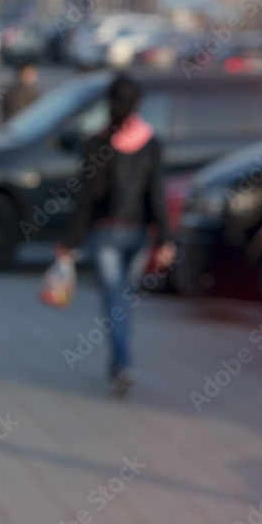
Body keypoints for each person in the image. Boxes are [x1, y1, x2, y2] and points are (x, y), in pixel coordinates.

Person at [57, 75, 175, 398]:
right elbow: (156, 195)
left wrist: (71, 242)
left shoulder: (97, 144)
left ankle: (121, 364)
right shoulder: (151, 143)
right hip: (138, 235)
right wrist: (165, 238)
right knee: (124, 299)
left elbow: (84, 199)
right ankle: (122, 363)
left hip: (106, 233)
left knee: (115, 300)